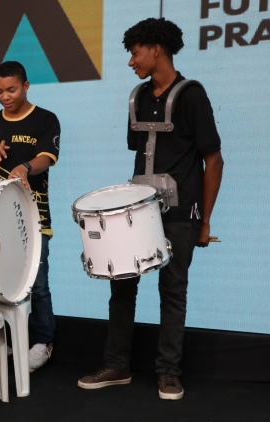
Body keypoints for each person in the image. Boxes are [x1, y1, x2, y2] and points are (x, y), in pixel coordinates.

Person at [78, 18, 224, 400]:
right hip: (138, 211)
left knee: (173, 289)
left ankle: (169, 372)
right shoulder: (137, 97)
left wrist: (205, 221)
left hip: (181, 213)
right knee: (121, 286)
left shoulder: (192, 95)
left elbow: (214, 160)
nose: (131, 61)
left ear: (156, 48)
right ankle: (117, 364)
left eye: (135, 51)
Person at [0, 61, 61, 372]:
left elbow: (46, 158)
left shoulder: (45, 120)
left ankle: (43, 341)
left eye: (11, 89)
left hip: (33, 217)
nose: (5, 96)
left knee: (37, 284)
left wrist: (24, 166)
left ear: (26, 86)